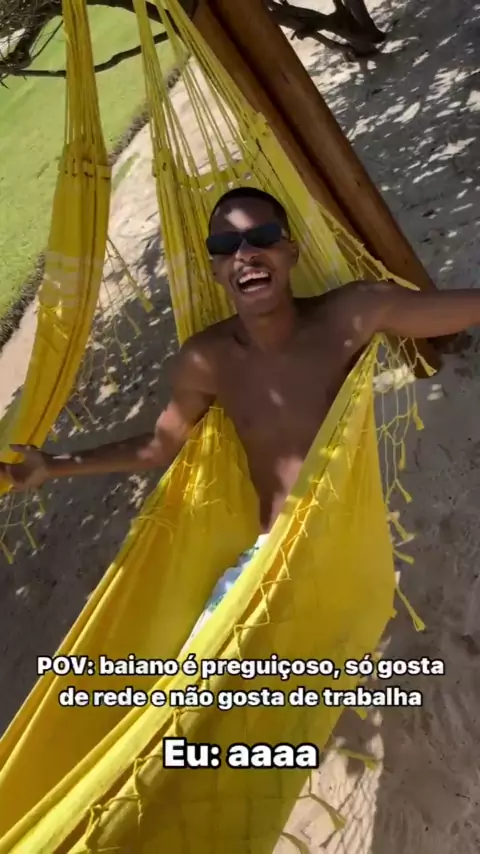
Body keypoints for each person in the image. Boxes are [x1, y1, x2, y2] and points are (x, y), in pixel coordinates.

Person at [1, 187, 478, 631]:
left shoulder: (350, 314)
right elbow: (161, 445)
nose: (245, 254)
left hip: (347, 542)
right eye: (226, 246)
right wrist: (55, 465)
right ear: (215, 270)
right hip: (271, 561)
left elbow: (447, 312)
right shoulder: (207, 359)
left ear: (291, 252)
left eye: (263, 237)